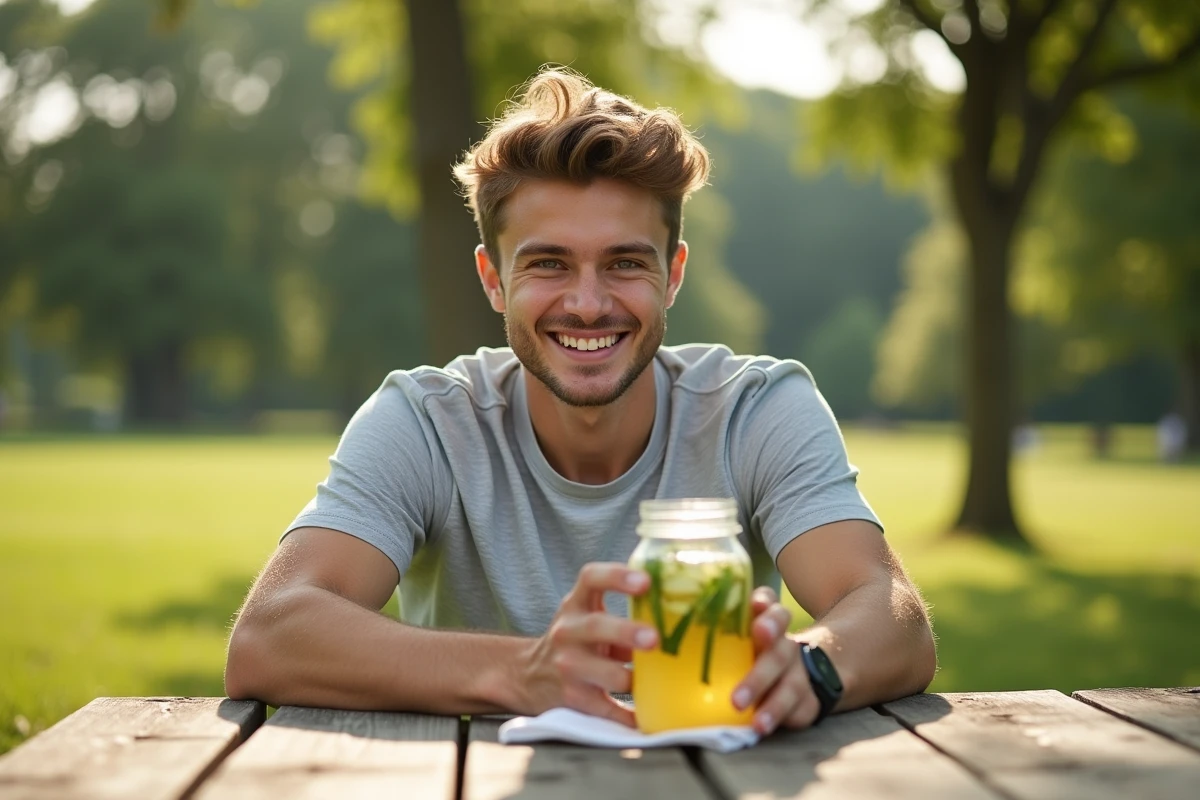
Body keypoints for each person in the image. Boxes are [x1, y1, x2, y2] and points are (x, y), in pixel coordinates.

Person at [225, 68, 936, 735]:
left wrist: (810, 665)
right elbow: (270, 635)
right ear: (493, 279)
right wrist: (524, 673)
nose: (588, 304)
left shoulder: (757, 409)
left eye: (625, 263)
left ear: (674, 274)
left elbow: (892, 615)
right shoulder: (425, 420)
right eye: (548, 264)